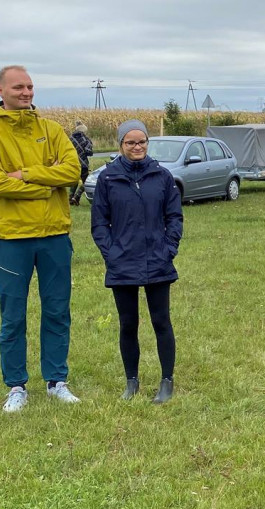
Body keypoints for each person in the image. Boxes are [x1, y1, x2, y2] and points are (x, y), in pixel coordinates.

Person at [0, 65, 84, 413]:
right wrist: (45, 188)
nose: (26, 92)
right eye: (18, 86)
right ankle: (17, 386)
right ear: (0, 91)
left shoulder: (51, 129)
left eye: (30, 86)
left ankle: (56, 381)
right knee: (13, 317)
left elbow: (73, 171)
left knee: (56, 311)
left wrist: (27, 175)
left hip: (53, 236)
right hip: (10, 237)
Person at [91, 120, 183, 403]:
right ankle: (132, 382)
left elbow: (174, 217)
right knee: (128, 324)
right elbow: (99, 224)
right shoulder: (108, 179)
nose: (137, 147)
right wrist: (113, 255)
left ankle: (166, 382)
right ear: (120, 145)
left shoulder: (162, 176)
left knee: (161, 322)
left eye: (141, 141)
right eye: (130, 142)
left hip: (157, 260)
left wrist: (169, 249)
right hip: (123, 264)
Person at [68, 120, 93, 206]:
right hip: (83, 164)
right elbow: (88, 151)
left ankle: (70, 198)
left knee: (74, 180)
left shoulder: (70, 139)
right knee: (86, 181)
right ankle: (77, 197)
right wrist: (90, 152)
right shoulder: (86, 139)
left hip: (73, 163)